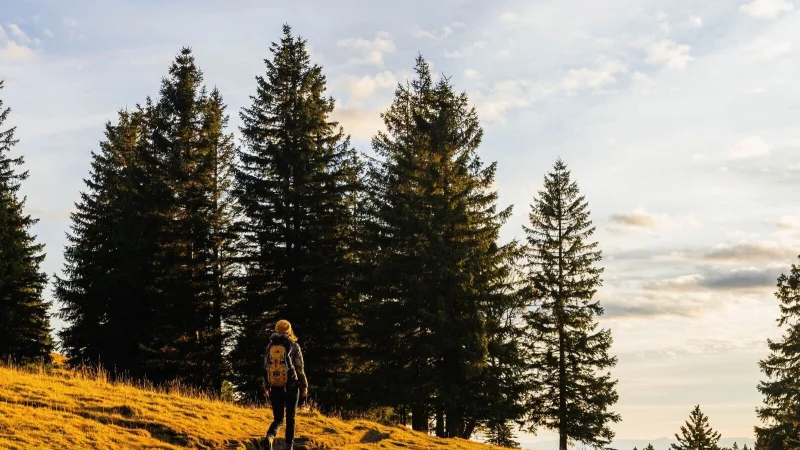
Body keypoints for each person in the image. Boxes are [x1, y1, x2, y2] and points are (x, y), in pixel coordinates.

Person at [263, 320, 308, 450]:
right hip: (291, 386)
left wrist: (266, 385)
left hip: (275, 386)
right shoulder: (294, 346)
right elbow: (300, 368)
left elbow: (266, 368)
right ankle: (289, 446)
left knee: (278, 418)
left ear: (276, 330)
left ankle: (270, 436)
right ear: (289, 330)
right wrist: (304, 385)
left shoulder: (269, 347)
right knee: (290, 418)